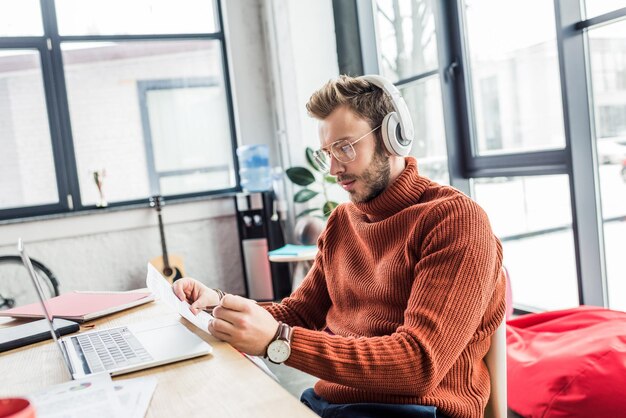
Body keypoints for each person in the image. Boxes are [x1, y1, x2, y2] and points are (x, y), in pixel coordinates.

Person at [173, 75, 506, 418]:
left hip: (416, 411)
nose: (333, 169)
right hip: (334, 406)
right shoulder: (342, 222)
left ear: (394, 137)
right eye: (328, 153)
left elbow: (418, 364)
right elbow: (298, 314)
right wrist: (217, 307)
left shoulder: (454, 221)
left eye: (345, 147)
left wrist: (280, 341)